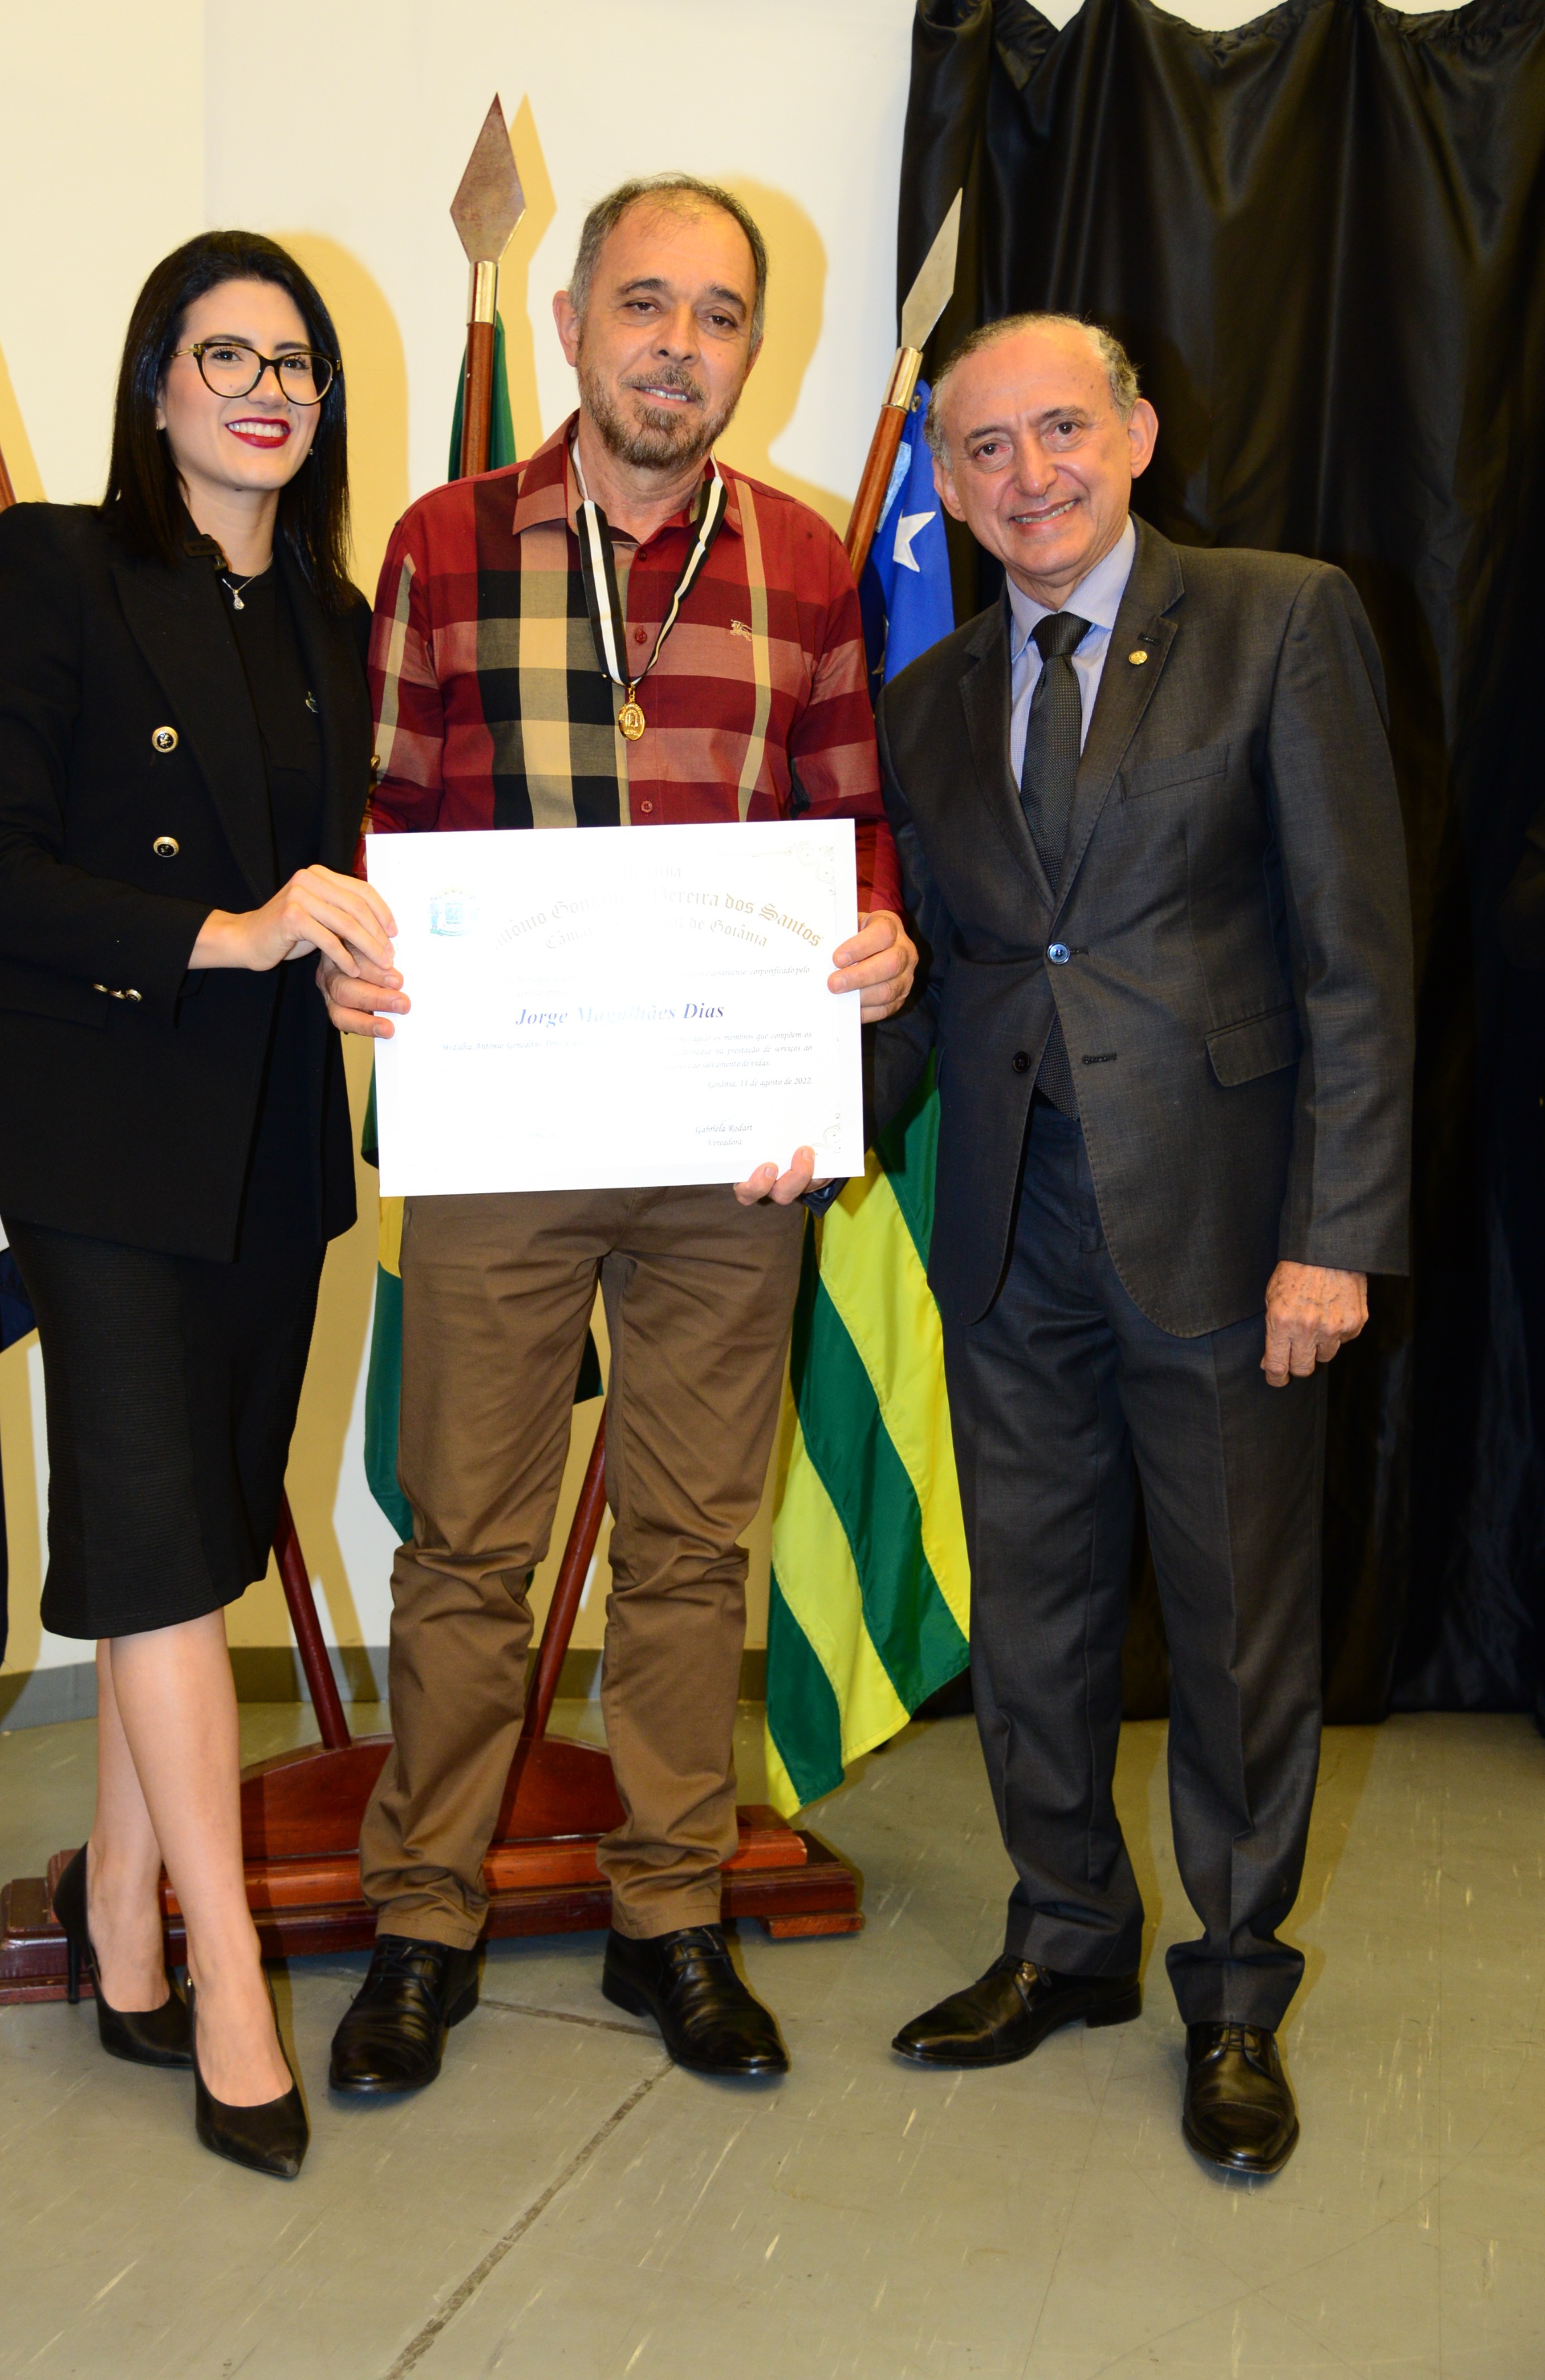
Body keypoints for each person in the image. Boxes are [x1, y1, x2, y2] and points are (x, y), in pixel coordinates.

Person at [319, 175, 916, 2090]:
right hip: (502, 1132)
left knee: (687, 1545)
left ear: (753, 351)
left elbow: (855, 825)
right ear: (572, 325)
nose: (680, 345)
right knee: (466, 1546)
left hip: (727, 1150)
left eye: (719, 315)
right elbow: (387, 820)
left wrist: (878, 944)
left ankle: (672, 1913)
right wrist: (363, 957)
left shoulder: (806, 562)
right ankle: (425, 1917)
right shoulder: (445, 541)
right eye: (646, 303)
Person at [875, 313, 1412, 2175]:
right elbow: (955, 976)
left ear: (1137, 432)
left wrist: (1333, 1237)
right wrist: (806, 1108)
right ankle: (1068, 1938)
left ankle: (1237, 1993)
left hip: (1228, 1233)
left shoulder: (1282, 620)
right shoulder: (929, 698)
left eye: (1061, 430)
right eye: (987, 448)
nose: (1029, 473)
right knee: (1032, 1617)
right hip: (1008, 1235)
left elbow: (1357, 961)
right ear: (951, 488)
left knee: (1241, 1630)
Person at [0, 231, 391, 2180]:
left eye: (295, 363)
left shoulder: (339, 614)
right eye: (227, 356)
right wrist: (230, 930)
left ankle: (121, 1923)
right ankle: (228, 1988)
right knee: (172, 1561)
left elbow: (331, 878)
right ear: (156, 383)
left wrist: (343, 958)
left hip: (270, 1134)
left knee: (178, 1539)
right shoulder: (58, 565)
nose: (268, 390)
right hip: (101, 1130)